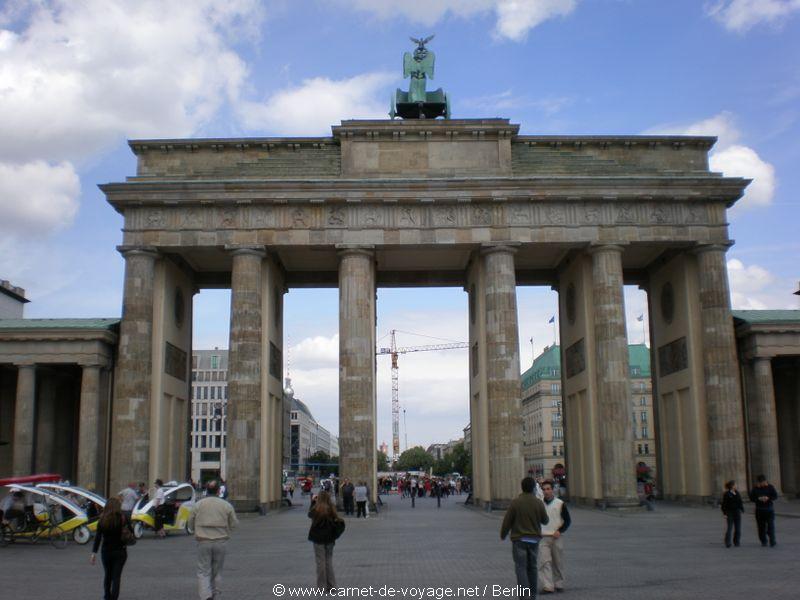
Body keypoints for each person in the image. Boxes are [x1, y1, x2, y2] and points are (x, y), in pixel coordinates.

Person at [500, 477, 549, 599]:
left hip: (519, 540)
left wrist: (503, 534)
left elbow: (507, 521)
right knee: (532, 567)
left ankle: (524, 596)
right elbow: (545, 520)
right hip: (534, 540)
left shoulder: (516, 502)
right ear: (533, 488)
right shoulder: (538, 502)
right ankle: (533, 595)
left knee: (521, 568)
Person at [189, 480, 238, 600]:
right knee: (217, 570)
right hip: (220, 541)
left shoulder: (199, 504)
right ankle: (215, 593)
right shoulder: (226, 505)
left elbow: (190, 521)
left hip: (203, 540)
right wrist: (228, 529)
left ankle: (206, 596)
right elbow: (234, 524)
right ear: (218, 491)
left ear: (206, 490)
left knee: (203, 570)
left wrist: (192, 529)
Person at [90, 497, 133, 600]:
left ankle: (107, 596)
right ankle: (114, 598)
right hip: (120, 551)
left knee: (107, 575)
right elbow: (132, 531)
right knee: (116, 577)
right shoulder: (123, 517)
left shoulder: (102, 519)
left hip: (106, 551)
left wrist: (93, 553)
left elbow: (98, 537)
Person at [539, 481, 571, 594]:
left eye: (548, 489)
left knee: (558, 562)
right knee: (545, 562)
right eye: (544, 489)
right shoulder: (539, 504)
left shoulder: (560, 503)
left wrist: (560, 530)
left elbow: (567, 520)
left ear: (552, 490)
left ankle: (559, 583)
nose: (546, 491)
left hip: (556, 536)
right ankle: (548, 586)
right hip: (543, 536)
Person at [308, 491, 343, 594]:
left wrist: (313, 502)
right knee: (328, 562)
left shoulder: (316, 509)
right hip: (329, 539)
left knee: (320, 563)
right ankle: (332, 586)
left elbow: (310, 515)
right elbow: (338, 520)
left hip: (318, 539)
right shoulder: (331, 508)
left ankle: (321, 587)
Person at [749, 474, 778, 547]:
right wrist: (758, 499)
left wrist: (768, 498)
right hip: (759, 510)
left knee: (771, 526)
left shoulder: (770, 487)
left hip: (769, 509)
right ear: (758, 482)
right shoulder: (755, 489)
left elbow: (775, 496)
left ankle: (772, 541)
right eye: (761, 482)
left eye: (764, 482)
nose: (763, 483)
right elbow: (751, 498)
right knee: (761, 527)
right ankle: (763, 541)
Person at [721, 480, 744, 548]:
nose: (736, 486)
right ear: (732, 486)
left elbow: (740, 501)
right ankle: (728, 542)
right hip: (729, 512)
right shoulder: (727, 494)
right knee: (730, 528)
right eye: (735, 485)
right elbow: (724, 504)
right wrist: (724, 513)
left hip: (737, 512)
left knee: (738, 528)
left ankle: (736, 541)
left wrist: (742, 509)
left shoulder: (737, 493)